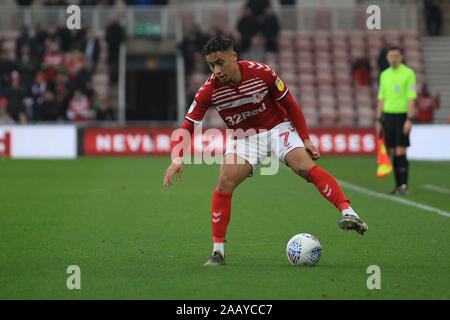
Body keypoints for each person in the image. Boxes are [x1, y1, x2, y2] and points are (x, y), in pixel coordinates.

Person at [163, 35, 368, 266]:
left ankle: (348, 212)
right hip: (245, 138)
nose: (216, 70)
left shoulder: (261, 73)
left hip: (276, 127)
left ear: (233, 56)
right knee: (224, 180)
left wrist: (306, 139)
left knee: (303, 166)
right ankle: (218, 253)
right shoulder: (208, 90)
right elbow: (188, 124)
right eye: (211, 65)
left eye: (220, 62)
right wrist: (177, 157)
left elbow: (290, 104)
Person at [376, 46, 417, 196]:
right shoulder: (384, 75)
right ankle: (398, 185)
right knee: (393, 150)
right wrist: (378, 119)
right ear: (387, 58)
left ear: (402, 57)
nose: (393, 59)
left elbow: (411, 98)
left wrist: (409, 119)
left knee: (401, 150)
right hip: (388, 116)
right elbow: (381, 98)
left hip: (402, 116)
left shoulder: (408, 73)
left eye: (395, 56)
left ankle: (404, 185)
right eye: (390, 56)